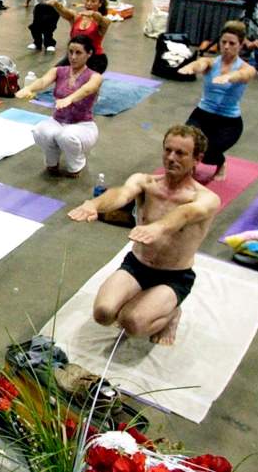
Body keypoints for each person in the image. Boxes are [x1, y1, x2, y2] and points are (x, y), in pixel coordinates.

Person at [68, 126, 221, 346]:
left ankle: (172, 314)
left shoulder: (207, 198)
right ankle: (144, 300)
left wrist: (159, 227)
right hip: (137, 266)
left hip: (173, 276)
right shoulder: (145, 182)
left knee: (131, 322)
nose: (171, 158)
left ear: (197, 159)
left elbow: (186, 213)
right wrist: (95, 204)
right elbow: (120, 194)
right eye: (167, 150)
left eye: (180, 153)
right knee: (103, 314)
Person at [15, 36, 103, 177]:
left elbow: (87, 89)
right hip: (57, 121)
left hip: (83, 125)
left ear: (89, 54)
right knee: (39, 131)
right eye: (70, 52)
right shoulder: (59, 71)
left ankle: (76, 164)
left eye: (78, 53)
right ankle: (52, 161)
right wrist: (29, 88)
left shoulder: (95, 76)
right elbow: (43, 81)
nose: (73, 57)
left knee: (66, 136)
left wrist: (70, 98)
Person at [179, 21, 257, 181]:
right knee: (187, 142)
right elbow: (201, 63)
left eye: (232, 43)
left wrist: (229, 76)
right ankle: (191, 165)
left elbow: (243, 76)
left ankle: (221, 163)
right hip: (202, 114)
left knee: (208, 153)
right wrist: (192, 67)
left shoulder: (247, 68)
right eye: (224, 42)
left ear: (241, 45)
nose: (226, 46)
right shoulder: (211, 62)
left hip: (229, 121)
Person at [46, 0, 111, 73]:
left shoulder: (104, 20)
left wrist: (93, 14)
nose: (89, 3)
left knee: (80, 80)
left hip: (95, 59)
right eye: (87, 0)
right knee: (53, 73)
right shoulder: (76, 16)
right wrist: (56, 4)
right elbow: (64, 11)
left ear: (100, 3)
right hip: (75, 56)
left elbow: (102, 20)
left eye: (93, 1)